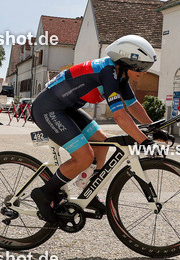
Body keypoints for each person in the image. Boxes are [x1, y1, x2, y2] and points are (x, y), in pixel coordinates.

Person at [29, 34, 171, 224]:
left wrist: (152, 128)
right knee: (84, 156)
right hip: (48, 108)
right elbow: (120, 115)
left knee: (103, 144)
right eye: (141, 67)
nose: (144, 72)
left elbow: (133, 104)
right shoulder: (108, 71)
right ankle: (44, 193)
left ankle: (89, 193)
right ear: (126, 61)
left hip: (66, 108)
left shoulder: (119, 74)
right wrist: (144, 141)